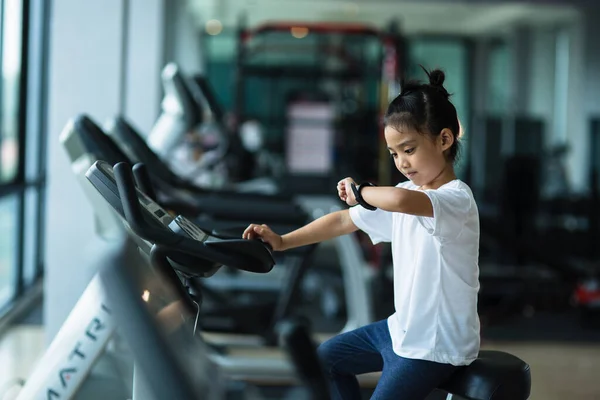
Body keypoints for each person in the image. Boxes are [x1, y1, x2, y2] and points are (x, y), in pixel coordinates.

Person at [243, 67, 480, 400]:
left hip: (435, 346)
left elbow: (398, 200)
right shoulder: (408, 192)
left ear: (444, 139)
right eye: (395, 154)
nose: (402, 163)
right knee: (325, 360)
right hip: (400, 331)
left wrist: (362, 190)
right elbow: (343, 221)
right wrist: (283, 241)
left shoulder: (456, 199)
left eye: (409, 150)